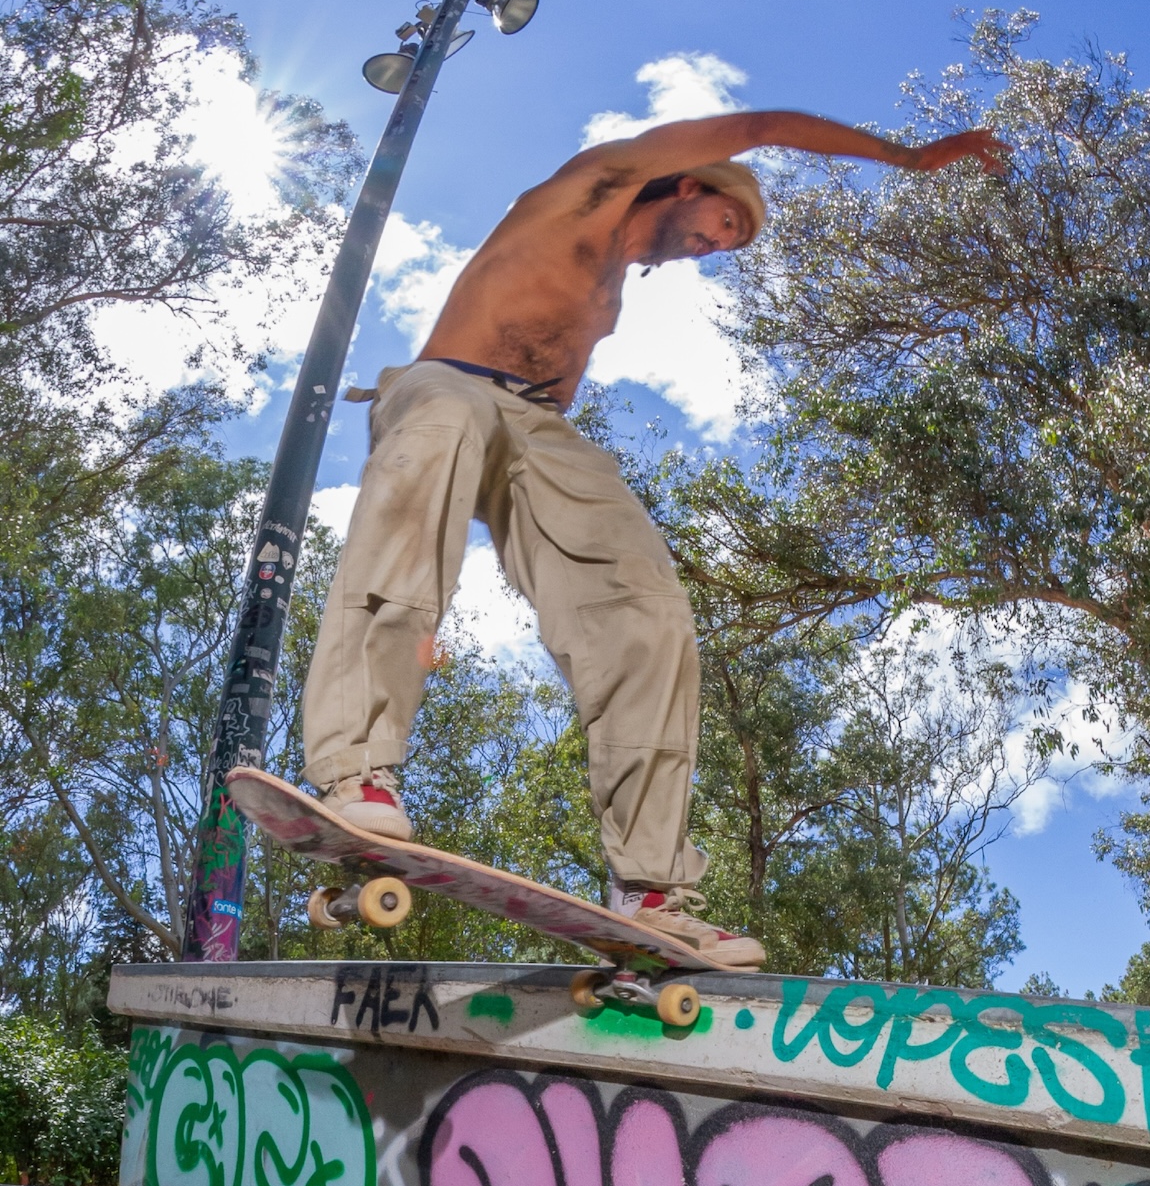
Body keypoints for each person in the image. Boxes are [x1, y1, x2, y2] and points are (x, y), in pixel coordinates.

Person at [301, 107, 1007, 967]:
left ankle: (652, 885)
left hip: (535, 431)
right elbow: (765, 125)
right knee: (437, 444)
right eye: (726, 224)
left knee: (647, 606)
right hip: (447, 387)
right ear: (689, 180)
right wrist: (909, 154)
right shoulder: (593, 185)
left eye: (732, 245)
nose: (719, 245)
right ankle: (356, 766)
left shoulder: (615, 289)